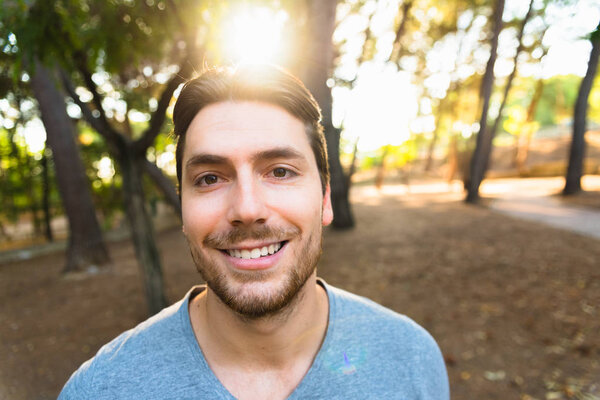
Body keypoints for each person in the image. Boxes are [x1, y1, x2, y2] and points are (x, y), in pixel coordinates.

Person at [59, 64, 449, 399]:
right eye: (210, 178)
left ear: (326, 199)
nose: (247, 209)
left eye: (280, 171)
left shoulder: (411, 359)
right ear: (183, 210)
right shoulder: (101, 389)